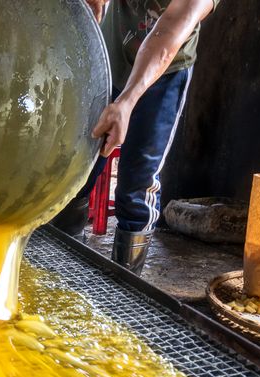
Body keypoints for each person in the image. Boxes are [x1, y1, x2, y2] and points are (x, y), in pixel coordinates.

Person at [52, 0, 218, 274]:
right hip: (111, 56)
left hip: (164, 71)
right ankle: (58, 267)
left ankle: (124, 284)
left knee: (137, 184)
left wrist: (126, 102)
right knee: (79, 165)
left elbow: (167, 30)